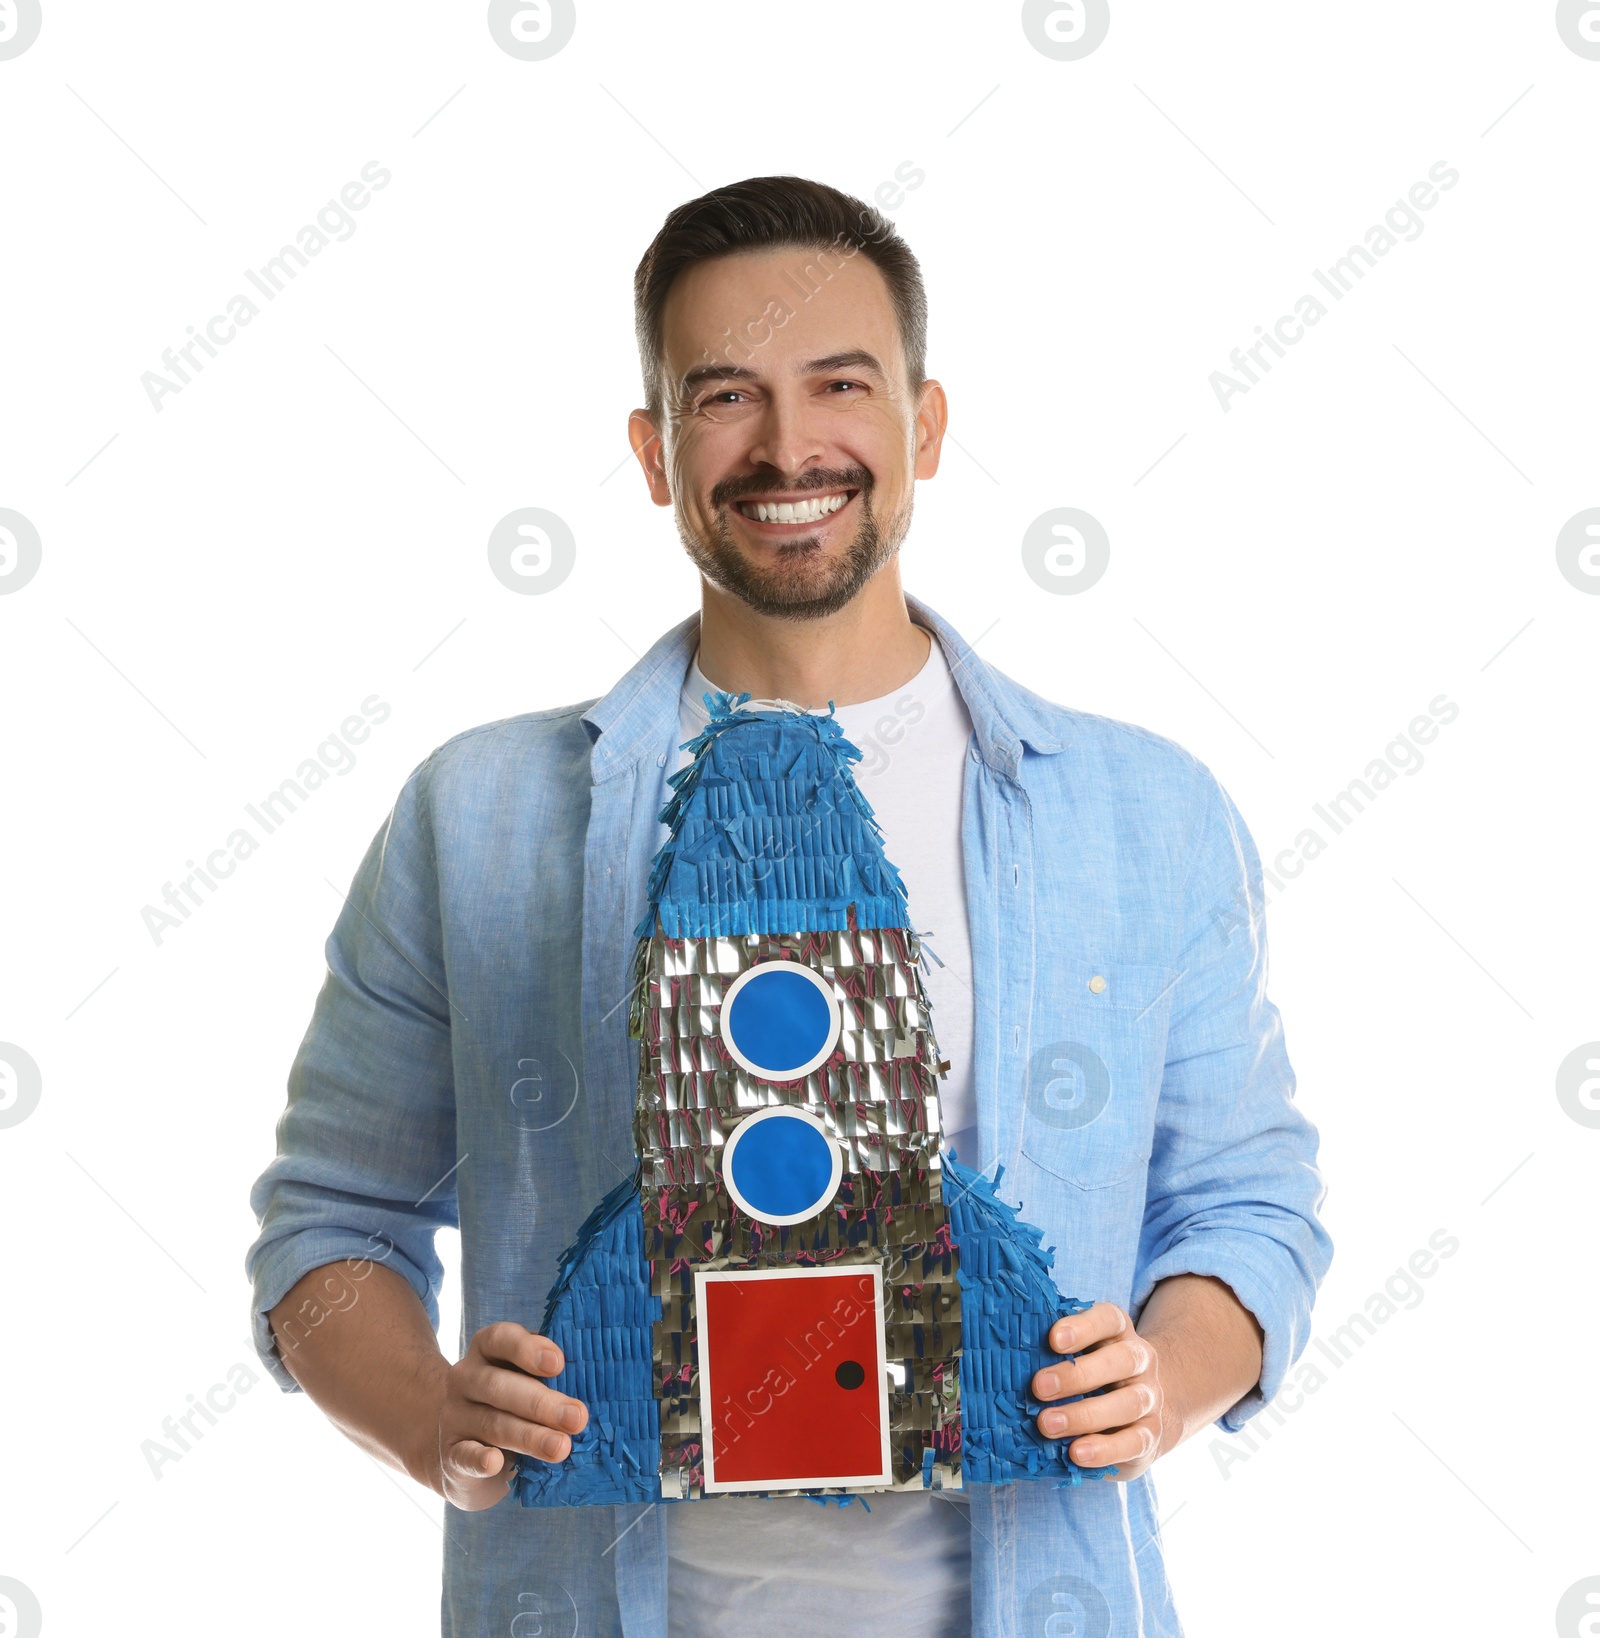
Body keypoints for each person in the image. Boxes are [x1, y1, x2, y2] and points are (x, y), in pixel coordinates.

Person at [247, 175, 1333, 1637]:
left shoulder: (1144, 811)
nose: (787, 445)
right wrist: (434, 1414)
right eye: (722, 397)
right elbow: (327, 1226)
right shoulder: (480, 813)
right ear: (652, 451)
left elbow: (1248, 1208)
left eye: (840, 384)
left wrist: (1161, 1379)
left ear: (924, 426)